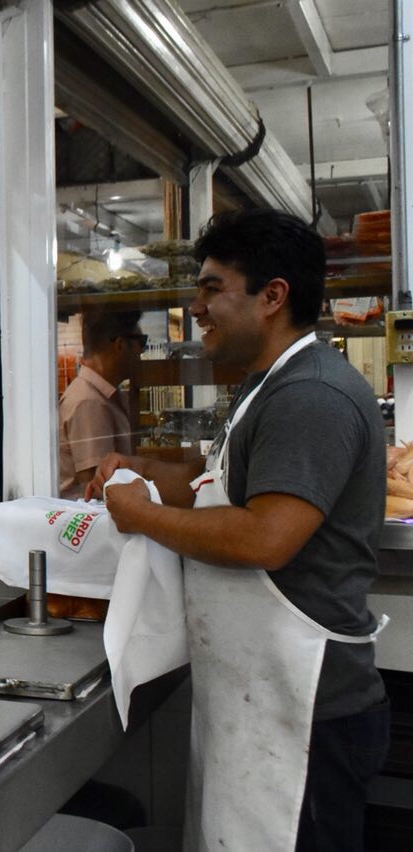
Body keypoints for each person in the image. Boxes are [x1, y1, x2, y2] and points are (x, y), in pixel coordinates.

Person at [88, 209, 388, 851]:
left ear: (272, 296)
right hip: (260, 701)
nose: (196, 308)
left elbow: (264, 537)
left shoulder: (312, 395)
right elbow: (213, 484)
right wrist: (140, 470)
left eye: (212, 288)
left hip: (306, 711)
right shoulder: (266, 386)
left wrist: (142, 515)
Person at [58, 310, 144, 500]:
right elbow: (97, 488)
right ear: (120, 345)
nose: (141, 351)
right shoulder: (89, 403)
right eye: (142, 341)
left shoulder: (103, 396)